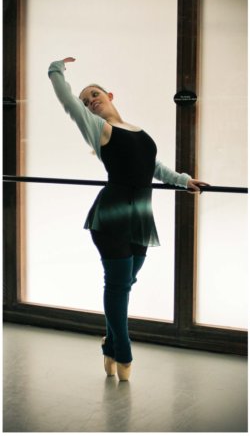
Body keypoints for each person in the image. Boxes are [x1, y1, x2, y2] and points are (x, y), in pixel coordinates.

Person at [48, 57, 208, 381]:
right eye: (85, 101)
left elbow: (154, 168)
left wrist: (184, 180)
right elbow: (67, 102)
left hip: (140, 219)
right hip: (111, 217)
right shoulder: (99, 129)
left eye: (94, 94)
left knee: (125, 284)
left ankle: (109, 343)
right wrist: (56, 70)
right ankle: (123, 350)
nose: (90, 101)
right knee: (119, 285)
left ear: (110, 95)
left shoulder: (138, 132)